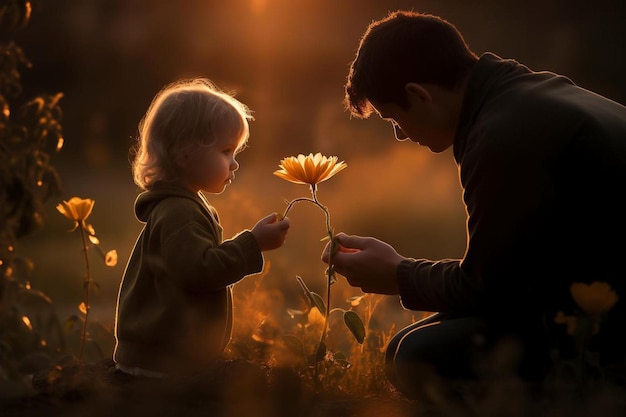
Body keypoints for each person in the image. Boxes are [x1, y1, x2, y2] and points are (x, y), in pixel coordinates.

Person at [322, 10, 626, 398]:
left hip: (608, 327)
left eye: (393, 119)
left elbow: (489, 288)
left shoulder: (501, 136)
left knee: (415, 356)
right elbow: (508, 275)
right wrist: (403, 271)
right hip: (585, 292)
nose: (399, 135)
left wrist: (398, 275)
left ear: (418, 95)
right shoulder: (528, 93)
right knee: (410, 341)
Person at [113, 78, 290, 378]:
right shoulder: (178, 212)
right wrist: (252, 244)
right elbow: (199, 272)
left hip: (161, 353)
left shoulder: (185, 204)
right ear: (184, 153)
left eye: (235, 153)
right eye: (225, 151)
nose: (234, 164)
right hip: (163, 359)